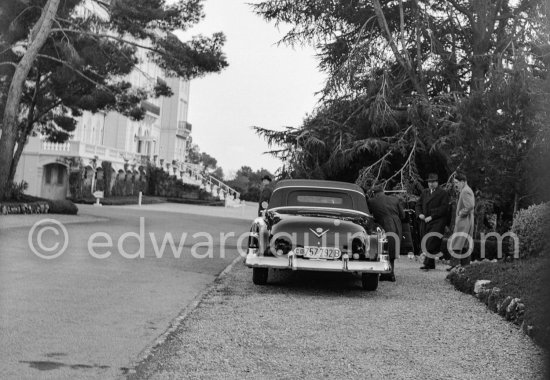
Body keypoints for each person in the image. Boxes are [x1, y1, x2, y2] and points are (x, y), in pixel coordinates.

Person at [366, 185, 405, 282]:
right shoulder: (394, 199)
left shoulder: (371, 201)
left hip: (384, 224)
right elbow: (403, 215)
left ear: (374, 194)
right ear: (383, 192)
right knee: (393, 249)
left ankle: (387, 273)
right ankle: (390, 273)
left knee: (384, 248)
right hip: (397, 225)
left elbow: (368, 214)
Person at [415, 173, 450, 270]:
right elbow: (418, 204)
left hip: (437, 221)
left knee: (431, 241)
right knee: (428, 241)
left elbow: (444, 208)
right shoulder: (425, 192)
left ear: (437, 182)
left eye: (433, 182)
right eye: (429, 182)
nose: (431, 184)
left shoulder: (443, 193)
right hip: (425, 221)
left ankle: (427, 263)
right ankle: (430, 264)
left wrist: (432, 216)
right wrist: (419, 214)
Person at [447, 172, 475, 271]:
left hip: (464, 221)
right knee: (463, 244)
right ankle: (464, 266)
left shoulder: (465, 191)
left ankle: (455, 265)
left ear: (463, 182)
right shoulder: (465, 190)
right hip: (466, 221)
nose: (455, 184)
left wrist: (461, 214)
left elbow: (470, 206)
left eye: (457, 182)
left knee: (458, 242)